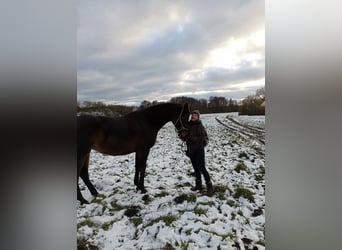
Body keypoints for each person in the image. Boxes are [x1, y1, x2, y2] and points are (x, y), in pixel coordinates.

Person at [185, 110, 213, 196]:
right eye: (192, 115)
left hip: (199, 149)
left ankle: (209, 186)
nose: (193, 116)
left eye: (195, 115)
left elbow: (201, 137)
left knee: (202, 168)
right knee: (195, 168)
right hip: (191, 149)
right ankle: (198, 185)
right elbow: (186, 136)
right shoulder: (188, 125)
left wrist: (191, 138)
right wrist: (183, 136)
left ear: (198, 117)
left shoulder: (199, 125)